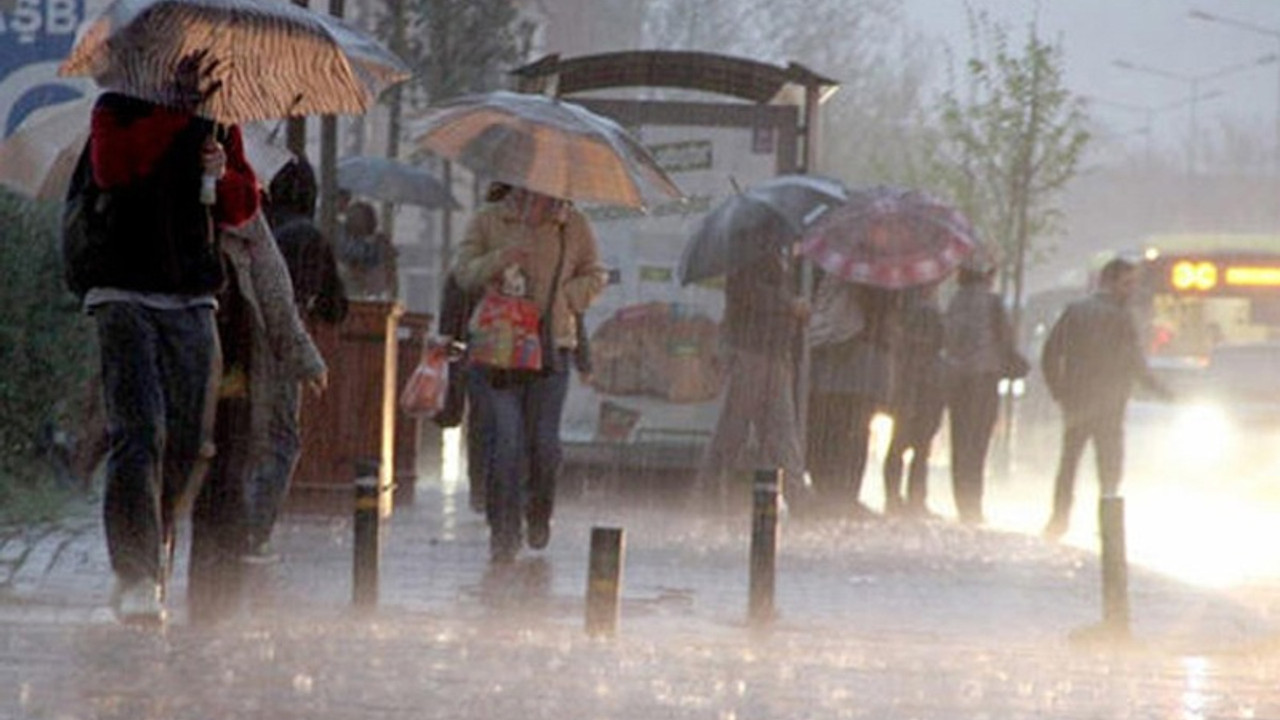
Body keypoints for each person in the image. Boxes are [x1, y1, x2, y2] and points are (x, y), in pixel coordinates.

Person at [70, 79, 259, 624]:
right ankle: (135, 572)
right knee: (139, 430)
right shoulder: (115, 106)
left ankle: (154, 542)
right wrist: (174, 116)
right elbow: (113, 168)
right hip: (122, 289)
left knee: (189, 440)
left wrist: (220, 171)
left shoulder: (220, 121)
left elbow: (240, 210)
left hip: (191, 294)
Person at [453, 185, 605, 564]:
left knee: (544, 445)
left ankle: (539, 511)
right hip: (498, 350)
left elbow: (596, 273)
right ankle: (503, 530)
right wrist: (500, 258)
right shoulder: (490, 219)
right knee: (506, 442)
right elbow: (463, 273)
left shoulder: (573, 224)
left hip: (551, 350)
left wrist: (569, 296)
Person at [246, 158, 349, 556]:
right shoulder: (306, 236)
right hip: (279, 348)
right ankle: (254, 530)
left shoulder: (252, 224)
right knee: (280, 441)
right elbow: (335, 307)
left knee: (240, 436)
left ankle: (227, 523)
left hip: (233, 343)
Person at [1040, 257, 1168, 540]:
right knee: (1109, 466)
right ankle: (1108, 526)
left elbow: (1050, 353)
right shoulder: (1121, 318)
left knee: (1069, 462)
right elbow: (1135, 363)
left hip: (1077, 402)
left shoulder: (1075, 311)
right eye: (1127, 283)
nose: (1132, 290)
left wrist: (1059, 391)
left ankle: (1058, 520)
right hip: (1110, 404)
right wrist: (1164, 392)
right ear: (1110, 282)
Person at [699, 246, 808, 506]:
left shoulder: (782, 257)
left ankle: (798, 497)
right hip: (752, 352)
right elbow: (747, 293)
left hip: (774, 353)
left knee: (780, 431)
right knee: (734, 429)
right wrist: (789, 304)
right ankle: (709, 492)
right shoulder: (749, 252)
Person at [806, 277, 900, 519]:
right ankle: (842, 496)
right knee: (854, 433)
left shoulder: (832, 273)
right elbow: (882, 316)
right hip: (858, 365)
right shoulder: (872, 280)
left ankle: (832, 493)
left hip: (834, 363)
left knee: (833, 430)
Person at [942, 258, 1010, 525]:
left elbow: (948, 338)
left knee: (960, 442)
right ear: (987, 275)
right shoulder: (992, 302)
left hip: (957, 379)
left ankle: (963, 503)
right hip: (985, 378)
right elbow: (1005, 339)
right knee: (978, 444)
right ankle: (974, 506)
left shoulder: (955, 301)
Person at [882, 284, 946, 518]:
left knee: (900, 442)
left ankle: (894, 497)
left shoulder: (901, 311)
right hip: (923, 384)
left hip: (907, 383)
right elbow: (939, 342)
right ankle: (914, 499)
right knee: (919, 444)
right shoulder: (928, 311)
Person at [336, 200, 398, 299]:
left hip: (360, 292)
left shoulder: (377, 244)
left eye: (359, 216)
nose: (353, 218)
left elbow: (386, 278)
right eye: (352, 215)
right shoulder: (338, 233)